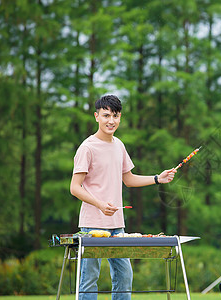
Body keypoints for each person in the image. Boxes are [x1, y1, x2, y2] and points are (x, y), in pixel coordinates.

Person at [70, 95, 177, 300]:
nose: (111, 120)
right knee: (89, 279)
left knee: (124, 275)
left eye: (116, 116)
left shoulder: (119, 145)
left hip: (117, 226)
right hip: (92, 226)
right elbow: (75, 188)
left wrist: (157, 178)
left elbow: (128, 179)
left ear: (120, 118)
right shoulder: (87, 148)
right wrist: (100, 204)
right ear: (96, 116)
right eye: (106, 115)